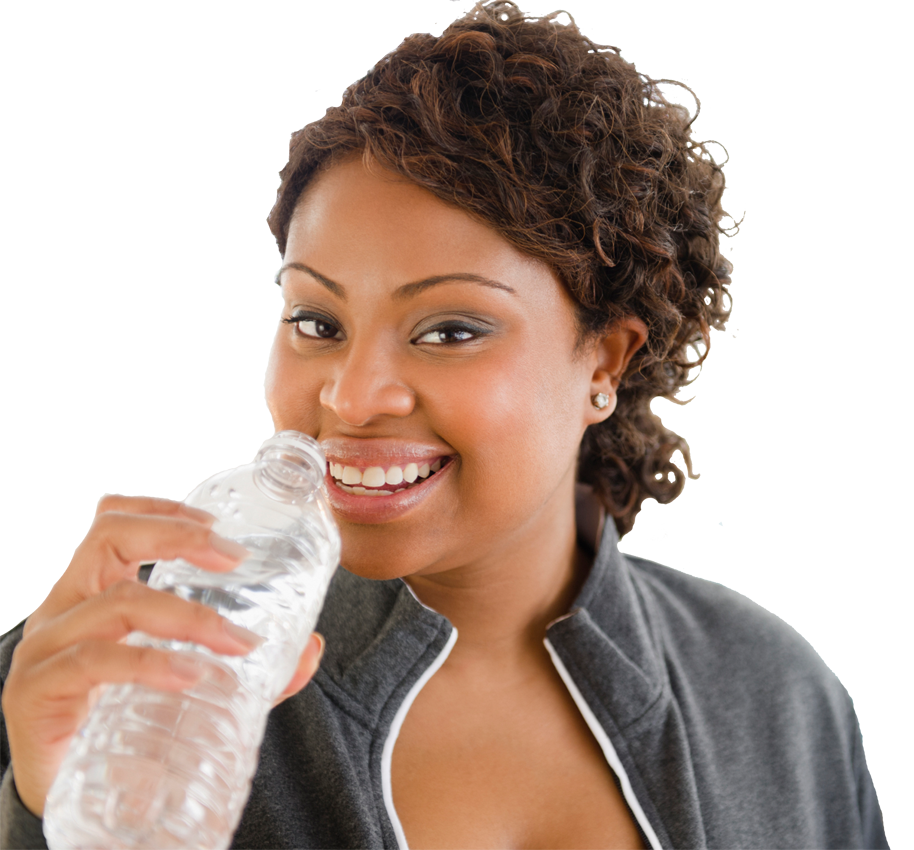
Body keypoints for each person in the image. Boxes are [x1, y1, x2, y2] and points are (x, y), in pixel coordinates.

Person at [0, 2, 888, 848]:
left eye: (451, 331)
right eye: (316, 322)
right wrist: (54, 821)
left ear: (606, 363)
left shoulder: (775, 698)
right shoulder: (124, 674)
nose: (352, 398)